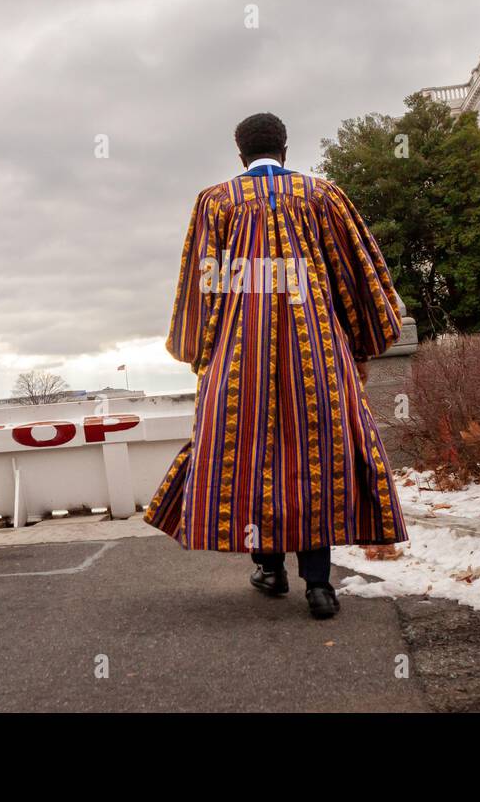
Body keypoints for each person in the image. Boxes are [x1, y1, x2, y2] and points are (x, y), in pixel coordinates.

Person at [143, 112, 407, 619]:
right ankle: (319, 586)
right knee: (317, 456)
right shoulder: (323, 195)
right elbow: (357, 273)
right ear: (285, 148)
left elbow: (202, 284)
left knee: (252, 455)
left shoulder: (215, 201)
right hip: (318, 347)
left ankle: (270, 569)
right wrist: (358, 341)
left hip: (240, 354)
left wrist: (201, 350)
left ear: (239, 154)